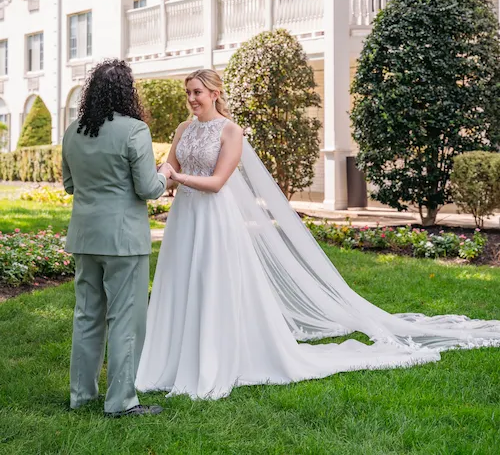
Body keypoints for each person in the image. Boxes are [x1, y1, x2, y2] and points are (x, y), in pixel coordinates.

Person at [136, 68, 500, 401]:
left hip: (214, 218)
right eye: (188, 93)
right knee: (181, 282)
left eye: (197, 92)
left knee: (210, 283)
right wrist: (159, 175)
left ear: (215, 93)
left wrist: (177, 177)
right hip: (184, 219)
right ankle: (174, 358)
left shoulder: (231, 131)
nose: (192, 99)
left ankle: (215, 357)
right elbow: (171, 168)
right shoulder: (184, 129)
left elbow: (216, 183)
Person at [62, 59, 171, 417]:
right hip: (124, 240)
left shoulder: (73, 130)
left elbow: (70, 185)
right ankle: (122, 403)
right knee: (125, 319)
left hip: (84, 236)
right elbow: (147, 188)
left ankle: (81, 395)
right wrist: (166, 175)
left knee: (87, 316)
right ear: (127, 92)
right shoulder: (134, 130)